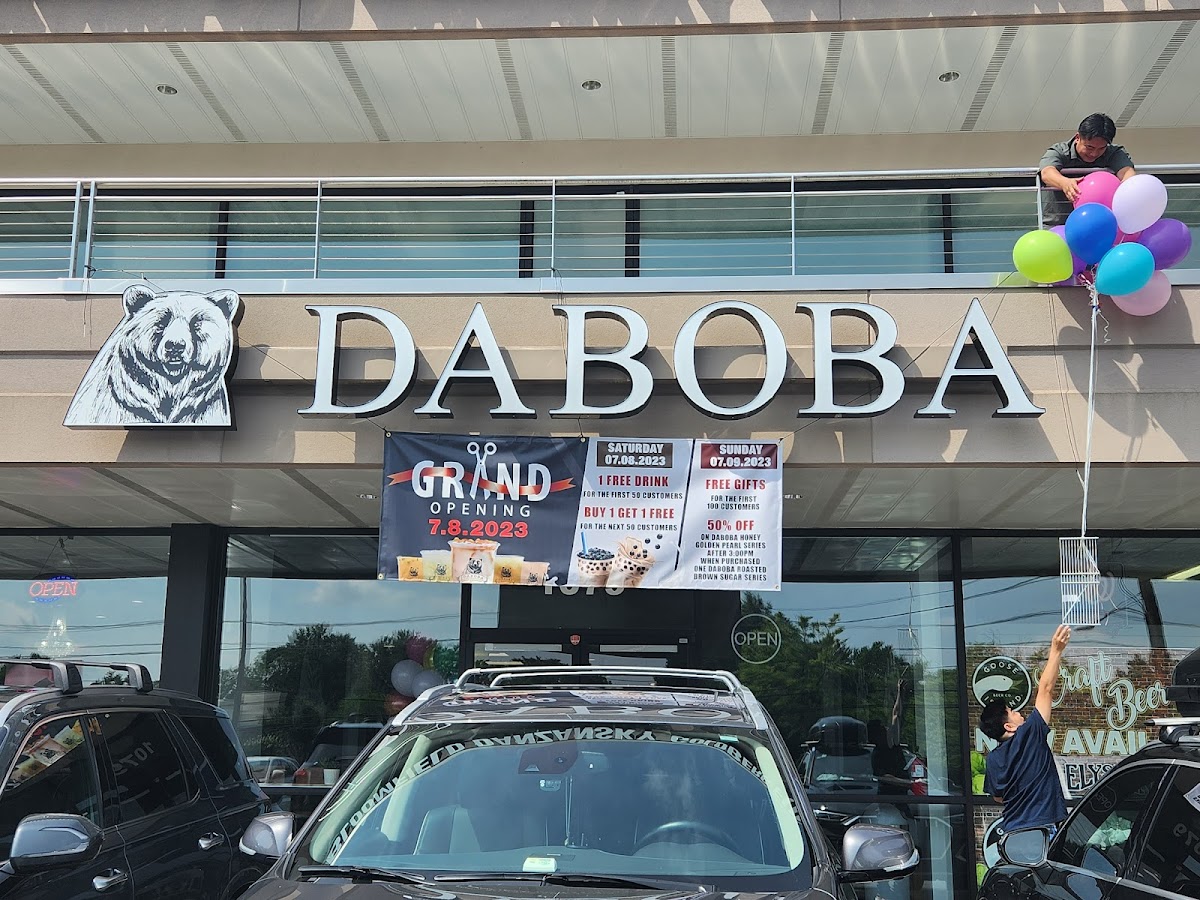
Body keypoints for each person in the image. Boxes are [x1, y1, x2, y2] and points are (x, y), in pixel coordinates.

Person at [978, 624, 1072, 835]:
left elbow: (997, 796)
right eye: (1012, 711)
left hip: (1012, 833)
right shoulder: (1030, 734)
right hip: (1042, 830)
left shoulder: (993, 759)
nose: (1019, 713)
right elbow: (1046, 689)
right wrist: (1056, 650)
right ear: (1009, 726)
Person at [1039, 113, 1135, 226]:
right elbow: (1047, 172)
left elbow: (1127, 173)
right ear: (1077, 138)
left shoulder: (1114, 153)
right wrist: (1065, 183)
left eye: (1101, 148)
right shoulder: (1059, 151)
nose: (1094, 153)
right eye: (1089, 147)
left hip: (1100, 225)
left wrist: (1125, 190)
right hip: (1058, 225)